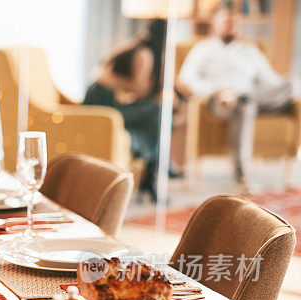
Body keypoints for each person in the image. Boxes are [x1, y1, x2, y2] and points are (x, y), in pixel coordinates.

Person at [178, 3, 295, 192]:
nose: (231, 26)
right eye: (226, 22)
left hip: (255, 99)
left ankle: (241, 96)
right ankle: (242, 174)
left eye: (235, 23)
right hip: (220, 102)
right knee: (245, 106)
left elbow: (272, 81)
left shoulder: (250, 51)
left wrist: (288, 86)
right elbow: (185, 79)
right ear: (214, 24)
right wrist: (215, 91)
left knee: (288, 86)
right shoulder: (203, 49)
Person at [84, 20, 166, 202]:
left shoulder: (132, 46)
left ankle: (148, 161)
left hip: (100, 101)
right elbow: (139, 89)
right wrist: (160, 94)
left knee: (156, 113)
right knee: (158, 110)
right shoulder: (145, 54)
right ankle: (150, 167)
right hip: (103, 107)